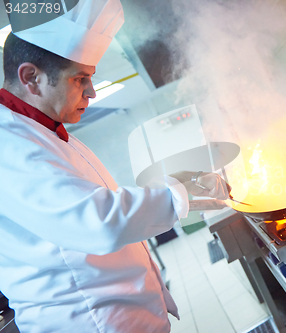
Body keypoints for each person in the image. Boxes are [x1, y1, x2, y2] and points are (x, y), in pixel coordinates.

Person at [0, 0, 229, 332]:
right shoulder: (7, 143)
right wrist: (181, 191)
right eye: (80, 79)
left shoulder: (46, 132)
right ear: (31, 78)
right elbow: (97, 220)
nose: (91, 92)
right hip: (89, 321)